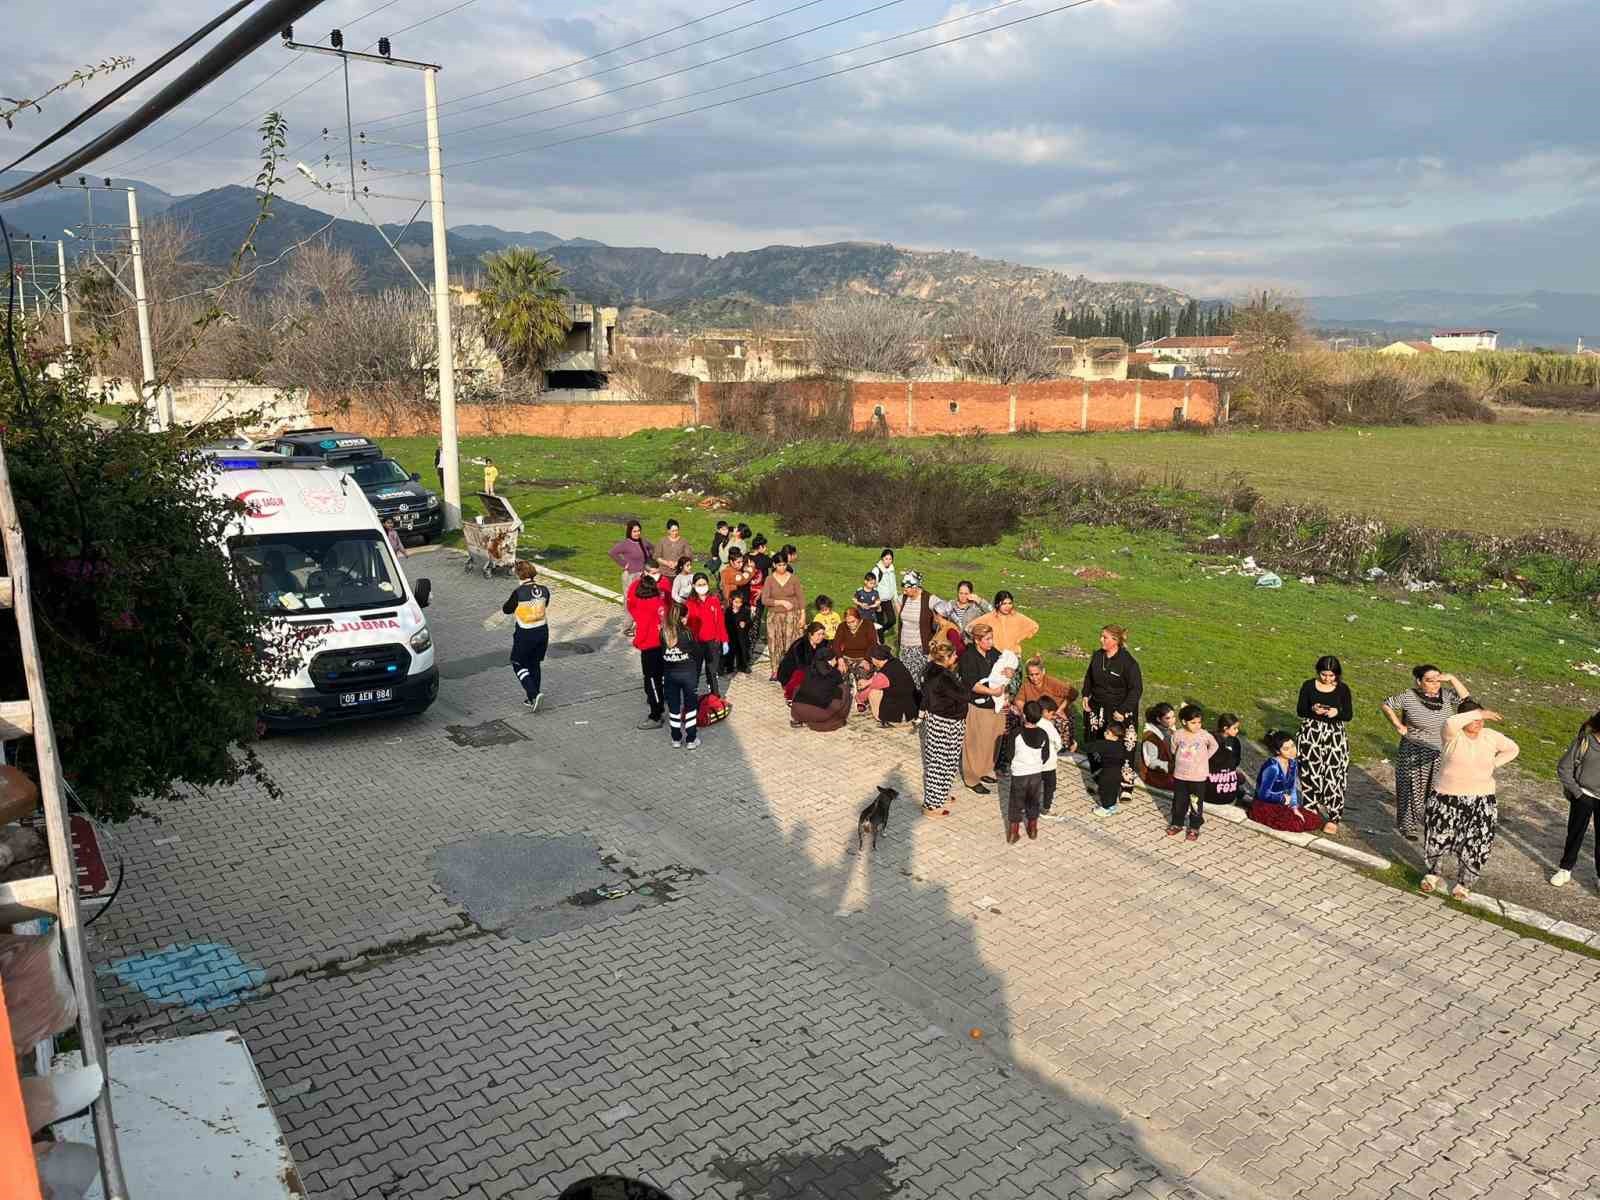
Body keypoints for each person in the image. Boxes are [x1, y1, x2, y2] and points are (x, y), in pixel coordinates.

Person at [1422, 700, 1518, 899]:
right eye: (1474, 719)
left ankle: (1464, 884)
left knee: (1477, 842)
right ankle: (1432, 874)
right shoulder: (1452, 735)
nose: (1478, 723)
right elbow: (1450, 722)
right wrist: (1480, 713)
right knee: (1438, 838)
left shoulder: (1491, 737)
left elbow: (1513, 749)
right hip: (1446, 798)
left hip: (1481, 800)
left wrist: (1493, 764)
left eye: (1481, 720)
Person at [1382, 664, 1471, 841]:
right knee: (1412, 789)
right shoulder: (1409, 696)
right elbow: (1386, 704)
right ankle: (1408, 826)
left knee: (1437, 790)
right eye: (1430, 681)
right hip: (1414, 749)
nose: (1435, 684)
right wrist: (1397, 725)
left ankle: (1433, 821)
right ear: (1419, 681)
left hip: (1440, 751)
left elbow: (1468, 701)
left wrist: (1452, 679)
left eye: (1438, 680)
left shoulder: (1446, 695)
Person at [1081, 625, 1143, 805]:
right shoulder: (1097, 656)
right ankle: (1100, 775)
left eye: (1105, 637)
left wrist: (1122, 711)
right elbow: (1089, 678)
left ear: (1116, 641)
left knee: (1125, 747)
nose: (1101, 640)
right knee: (1095, 740)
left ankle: (1126, 785)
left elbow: (1136, 689)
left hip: (1120, 712)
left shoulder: (1128, 663)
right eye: (1101, 636)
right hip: (1098, 706)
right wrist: (1086, 694)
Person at [1297, 655, 1354, 835]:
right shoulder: (1308, 685)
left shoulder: (1343, 689)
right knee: (1309, 771)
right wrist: (1313, 709)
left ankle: (1333, 816)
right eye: (1324, 675)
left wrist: (1336, 712)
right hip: (1311, 733)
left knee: (1334, 774)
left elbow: (1348, 715)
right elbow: (1300, 710)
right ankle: (1310, 809)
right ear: (1318, 672)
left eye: (1331, 675)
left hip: (1334, 735)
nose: (1327, 679)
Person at [959, 622, 1010, 795]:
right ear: (977, 640)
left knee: (993, 740)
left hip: (996, 704)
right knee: (975, 743)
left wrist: (1009, 672)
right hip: (978, 706)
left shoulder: (993, 653)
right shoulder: (968, 657)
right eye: (987, 639)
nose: (991, 642)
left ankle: (985, 770)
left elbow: (1006, 666)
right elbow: (971, 683)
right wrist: (991, 691)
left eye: (991, 638)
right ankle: (971, 777)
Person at [1551, 710, 1600, 888]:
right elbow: (1564, 768)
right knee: (1575, 834)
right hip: (1584, 795)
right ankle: (1565, 870)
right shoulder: (1585, 742)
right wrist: (1578, 794)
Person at [919, 641, 968, 816]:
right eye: (953, 655)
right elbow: (963, 695)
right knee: (941, 762)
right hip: (946, 723)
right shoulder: (944, 677)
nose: (956, 658)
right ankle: (932, 805)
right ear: (945, 657)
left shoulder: (930, 668)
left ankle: (941, 794)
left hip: (938, 719)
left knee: (946, 759)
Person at [1252, 732, 1325, 833]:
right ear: (1278, 751)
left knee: (1314, 819)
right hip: (1265, 805)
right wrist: (1281, 798)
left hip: (1284, 803)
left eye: (1293, 746)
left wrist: (1294, 808)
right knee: (1296, 824)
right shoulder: (1273, 767)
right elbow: (1262, 795)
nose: (1292, 751)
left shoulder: (1293, 763)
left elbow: (1292, 788)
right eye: (1286, 749)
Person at [501, 560, 550, 710]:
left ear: (519, 574)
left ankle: (533, 693)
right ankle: (532, 699)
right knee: (534, 664)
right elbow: (546, 603)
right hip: (542, 631)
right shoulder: (545, 589)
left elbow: (506, 609)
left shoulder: (518, 592)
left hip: (525, 633)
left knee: (517, 662)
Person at [999, 701, 1051, 843]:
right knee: (1033, 800)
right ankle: (1033, 829)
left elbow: (1009, 755)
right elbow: (1045, 756)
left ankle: (1013, 833)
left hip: (1019, 774)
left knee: (1016, 802)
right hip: (1036, 773)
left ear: (1024, 716)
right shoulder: (1043, 734)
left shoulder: (1016, 733)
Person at [625, 569, 669, 730]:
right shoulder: (659, 602)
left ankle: (656, 715)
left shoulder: (644, 606)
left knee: (651, 681)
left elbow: (642, 630)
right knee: (661, 676)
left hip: (650, 647)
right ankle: (661, 700)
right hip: (662, 644)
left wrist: (637, 642)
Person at [1167, 704, 1218, 840]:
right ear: (1184, 722)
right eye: (1193, 722)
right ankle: (1177, 823)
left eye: (1199, 722)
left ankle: (1194, 826)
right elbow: (1173, 749)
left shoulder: (1204, 735)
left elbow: (1214, 746)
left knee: (1195, 803)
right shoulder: (1178, 734)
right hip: (1180, 776)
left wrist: (1204, 757)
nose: (1197, 725)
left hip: (1198, 777)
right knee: (1179, 801)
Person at [659, 604, 704, 749]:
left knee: (674, 708)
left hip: (670, 675)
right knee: (690, 707)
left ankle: (676, 738)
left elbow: (661, 653)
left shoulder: (663, 633)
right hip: (688, 675)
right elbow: (697, 653)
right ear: (683, 618)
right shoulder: (688, 633)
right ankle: (691, 739)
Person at [1013, 656, 1077, 751]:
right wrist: (1027, 712)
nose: (1034, 678)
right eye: (1031, 675)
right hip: (1038, 717)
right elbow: (1018, 700)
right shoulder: (1026, 685)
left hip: (1055, 715)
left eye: (1037, 674)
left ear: (1043, 672)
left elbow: (1073, 692)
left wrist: (1060, 709)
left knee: (1057, 728)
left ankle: (1068, 747)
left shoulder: (1051, 683)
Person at [762, 554, 806, 679]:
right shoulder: (769, 579)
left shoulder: (794, 579)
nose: (782, 568)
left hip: (792, 616)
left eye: (784, 565)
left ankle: (791, 670)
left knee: (791, 644)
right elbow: (765, 599)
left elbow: (801, 598)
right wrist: (780, 602)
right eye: (779, 565)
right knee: (774, 643)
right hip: (775, 616)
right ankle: (775, 670)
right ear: (774, 565)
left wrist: (802, 616)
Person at [684, 573, 728, 697]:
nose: (702, 587)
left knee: (712, 671)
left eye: (704, 584)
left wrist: (724, 640)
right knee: (695, 671)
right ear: (693, 586)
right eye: (699, 585)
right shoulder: (690, 603)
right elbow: (687, 625)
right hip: (696, 643)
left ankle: (715, 696)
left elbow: (720, 622)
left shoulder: (714, 601)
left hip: (712, 642)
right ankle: (692, 695)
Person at [609, 520, 654, 637]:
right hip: (630, 576)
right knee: (630, 601)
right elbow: (612, 553)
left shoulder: (643, 542)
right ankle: (627, 626)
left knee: (643, 601)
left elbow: (652, 548)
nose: (637, 533)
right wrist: (624, 564)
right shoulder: (625, 544)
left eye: (639, 531)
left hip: (643, 575)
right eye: (634, 531)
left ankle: (640, 625)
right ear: (629, 532)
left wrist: (648, 561)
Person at [894, 571, 939, 687]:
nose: (904, 590)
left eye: (906, 587)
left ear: (915, 587)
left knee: (920, 681)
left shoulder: (929, 599)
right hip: (904, 648)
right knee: (904, 680)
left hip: (920, 649)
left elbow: (945, 611)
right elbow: (899, 614)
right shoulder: (902, 599)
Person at [790, 650, 850, 732]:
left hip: (798, 710)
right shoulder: (834, 672)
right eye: (834, 659)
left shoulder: (808, 669)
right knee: (845, 689)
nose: (835, 661)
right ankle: (839, 718)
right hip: (819, 714)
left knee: (800, 687)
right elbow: (839, 689)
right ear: (829, 660)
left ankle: (798, 719)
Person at [859, 645, 919, 726]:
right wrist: (867, 682)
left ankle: (883, 718)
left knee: (873, 693)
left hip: (900, 714)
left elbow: (868, 691)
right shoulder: (896, 662)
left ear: (876, 659)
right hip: (911, 708)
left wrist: (859, 698)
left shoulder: (884, 674)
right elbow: (878, 679)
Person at [1083, 720, 1130, 814]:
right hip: (1117, 773)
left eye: (1107, 732)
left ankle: (1106, 808)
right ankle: (1112, 806)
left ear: (1114, 735)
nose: (1105, 733)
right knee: (1113, 790)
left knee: (1104, 790)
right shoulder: (1120, 745)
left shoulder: (1104, 744)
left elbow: (1088, 747)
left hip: (1107, 774)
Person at [776, 622, 828, 699]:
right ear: (810, 634)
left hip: (809, 670)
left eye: (823, 634)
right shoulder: (800, 645)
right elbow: (801, 666)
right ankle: (791, 694)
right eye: (818, 634)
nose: (821, 637)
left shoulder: (821, 642)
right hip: (791, 674)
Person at [984, 591, 1040, 658]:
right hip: (994, 656)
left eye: (1010, 603)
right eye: (1004, 604)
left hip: (1013, 656)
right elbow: (970, 627)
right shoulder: (989, 617)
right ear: (997, 604)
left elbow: (1034, 626)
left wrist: (1019, 638)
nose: (1007, 606)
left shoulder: (1017, 616)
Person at [1138, 703, 1178, 792]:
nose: (1172, 720)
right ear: (1158, 719)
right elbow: (1151, 763)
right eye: (1168, 718)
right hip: (1154, 775)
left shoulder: (1170, 730)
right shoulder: (1150, 737)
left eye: (1173, 717)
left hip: (1170, 769)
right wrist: (1172, 766)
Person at [1207, 713, 1244, 809]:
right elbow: (1236, 762)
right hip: (1220, 792)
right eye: (1234, 728)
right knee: (1240, 778)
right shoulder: (1233, 742)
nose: (1237, 731)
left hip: (1213, 788)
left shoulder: (1234, 741)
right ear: (1225, 728)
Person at [832, 604, 880, 672]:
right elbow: (836, 644)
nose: (851, 625)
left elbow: (873, 643)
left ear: (859, 618)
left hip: (864, 657)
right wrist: (840, 658)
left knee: (863, 673)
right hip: (846, 657)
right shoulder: (842, 626)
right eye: (848, 622)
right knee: (840, 673)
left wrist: (866, 659)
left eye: (853, 621)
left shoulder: (868, 625)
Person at [1037, 696, 1064, 815]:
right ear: (1045, 712)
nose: (1053, 716)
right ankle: (1046, 808)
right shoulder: (1048, 726)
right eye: (1052, 714)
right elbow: (1058, 743)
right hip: (1048, 763)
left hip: (1034, 762)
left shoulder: (1032, 722)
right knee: (1050, 785)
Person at [723, 591, 754, 676]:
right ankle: (729, 668)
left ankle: (742, 666)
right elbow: (725, 623)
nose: (738, 604)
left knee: (742, 651)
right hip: (731, 635)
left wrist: (745, 623)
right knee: (730, 652)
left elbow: (750, 622)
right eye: (736, 602)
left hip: (742, 636)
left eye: (740, 602)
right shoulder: (728, 611)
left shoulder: (745, 610)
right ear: (731, 601)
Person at [869, 549, 898, 636]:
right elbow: (871, 585)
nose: (888, 561)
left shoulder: (892, 570)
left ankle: (879, 631)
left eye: (890, 559)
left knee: (892, 620)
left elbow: (893, 585)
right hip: (879, 600)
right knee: (880, 622)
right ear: (882, 558)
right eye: (886, 559)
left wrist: (895, 597)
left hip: (888, 600)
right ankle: (879, 639)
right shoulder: (876, 570)